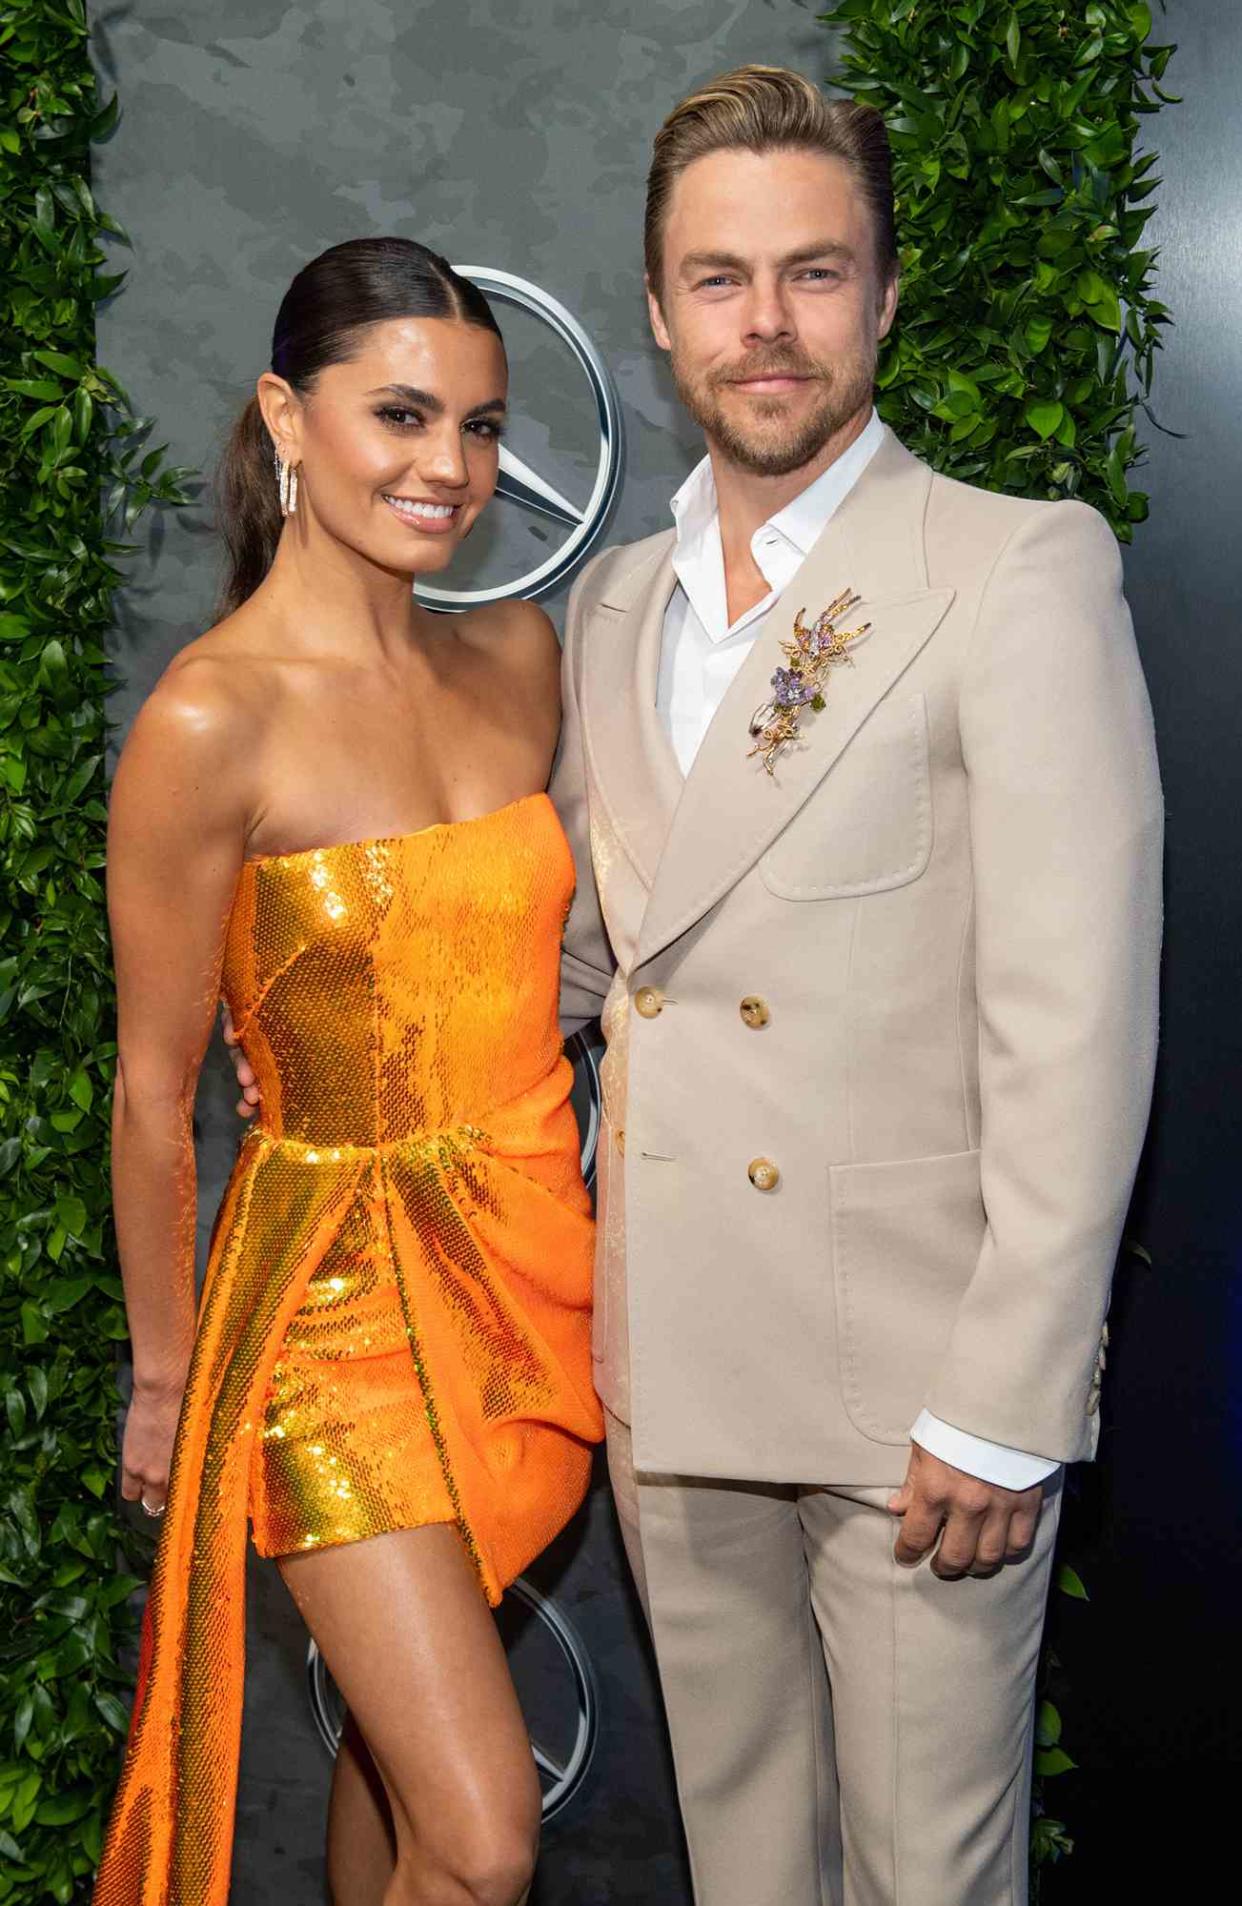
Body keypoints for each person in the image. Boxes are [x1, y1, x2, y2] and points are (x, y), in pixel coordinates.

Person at [549, 67, 1162, 1906]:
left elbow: (1076, 1014)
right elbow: (600, 952)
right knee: (746, 1867)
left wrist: (1006, 1394)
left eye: (812, 273)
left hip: (913, 1391)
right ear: (659, 314)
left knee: (926, 1882)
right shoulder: (613, 603)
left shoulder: (1009, 565)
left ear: (883, 297)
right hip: (672, 1349)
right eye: (719, 279)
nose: (766, 323)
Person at [96, 236, 602, 1906]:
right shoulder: (208, 722)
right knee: (481, 1836)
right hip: (329, 1323)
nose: (446, 466)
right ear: (283, 416)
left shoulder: (520, 662)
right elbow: (155, 1088)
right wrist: (169, 1379)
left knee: (396, 1779)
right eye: (398, 414)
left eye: (476, 424)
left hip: (528, 1281)